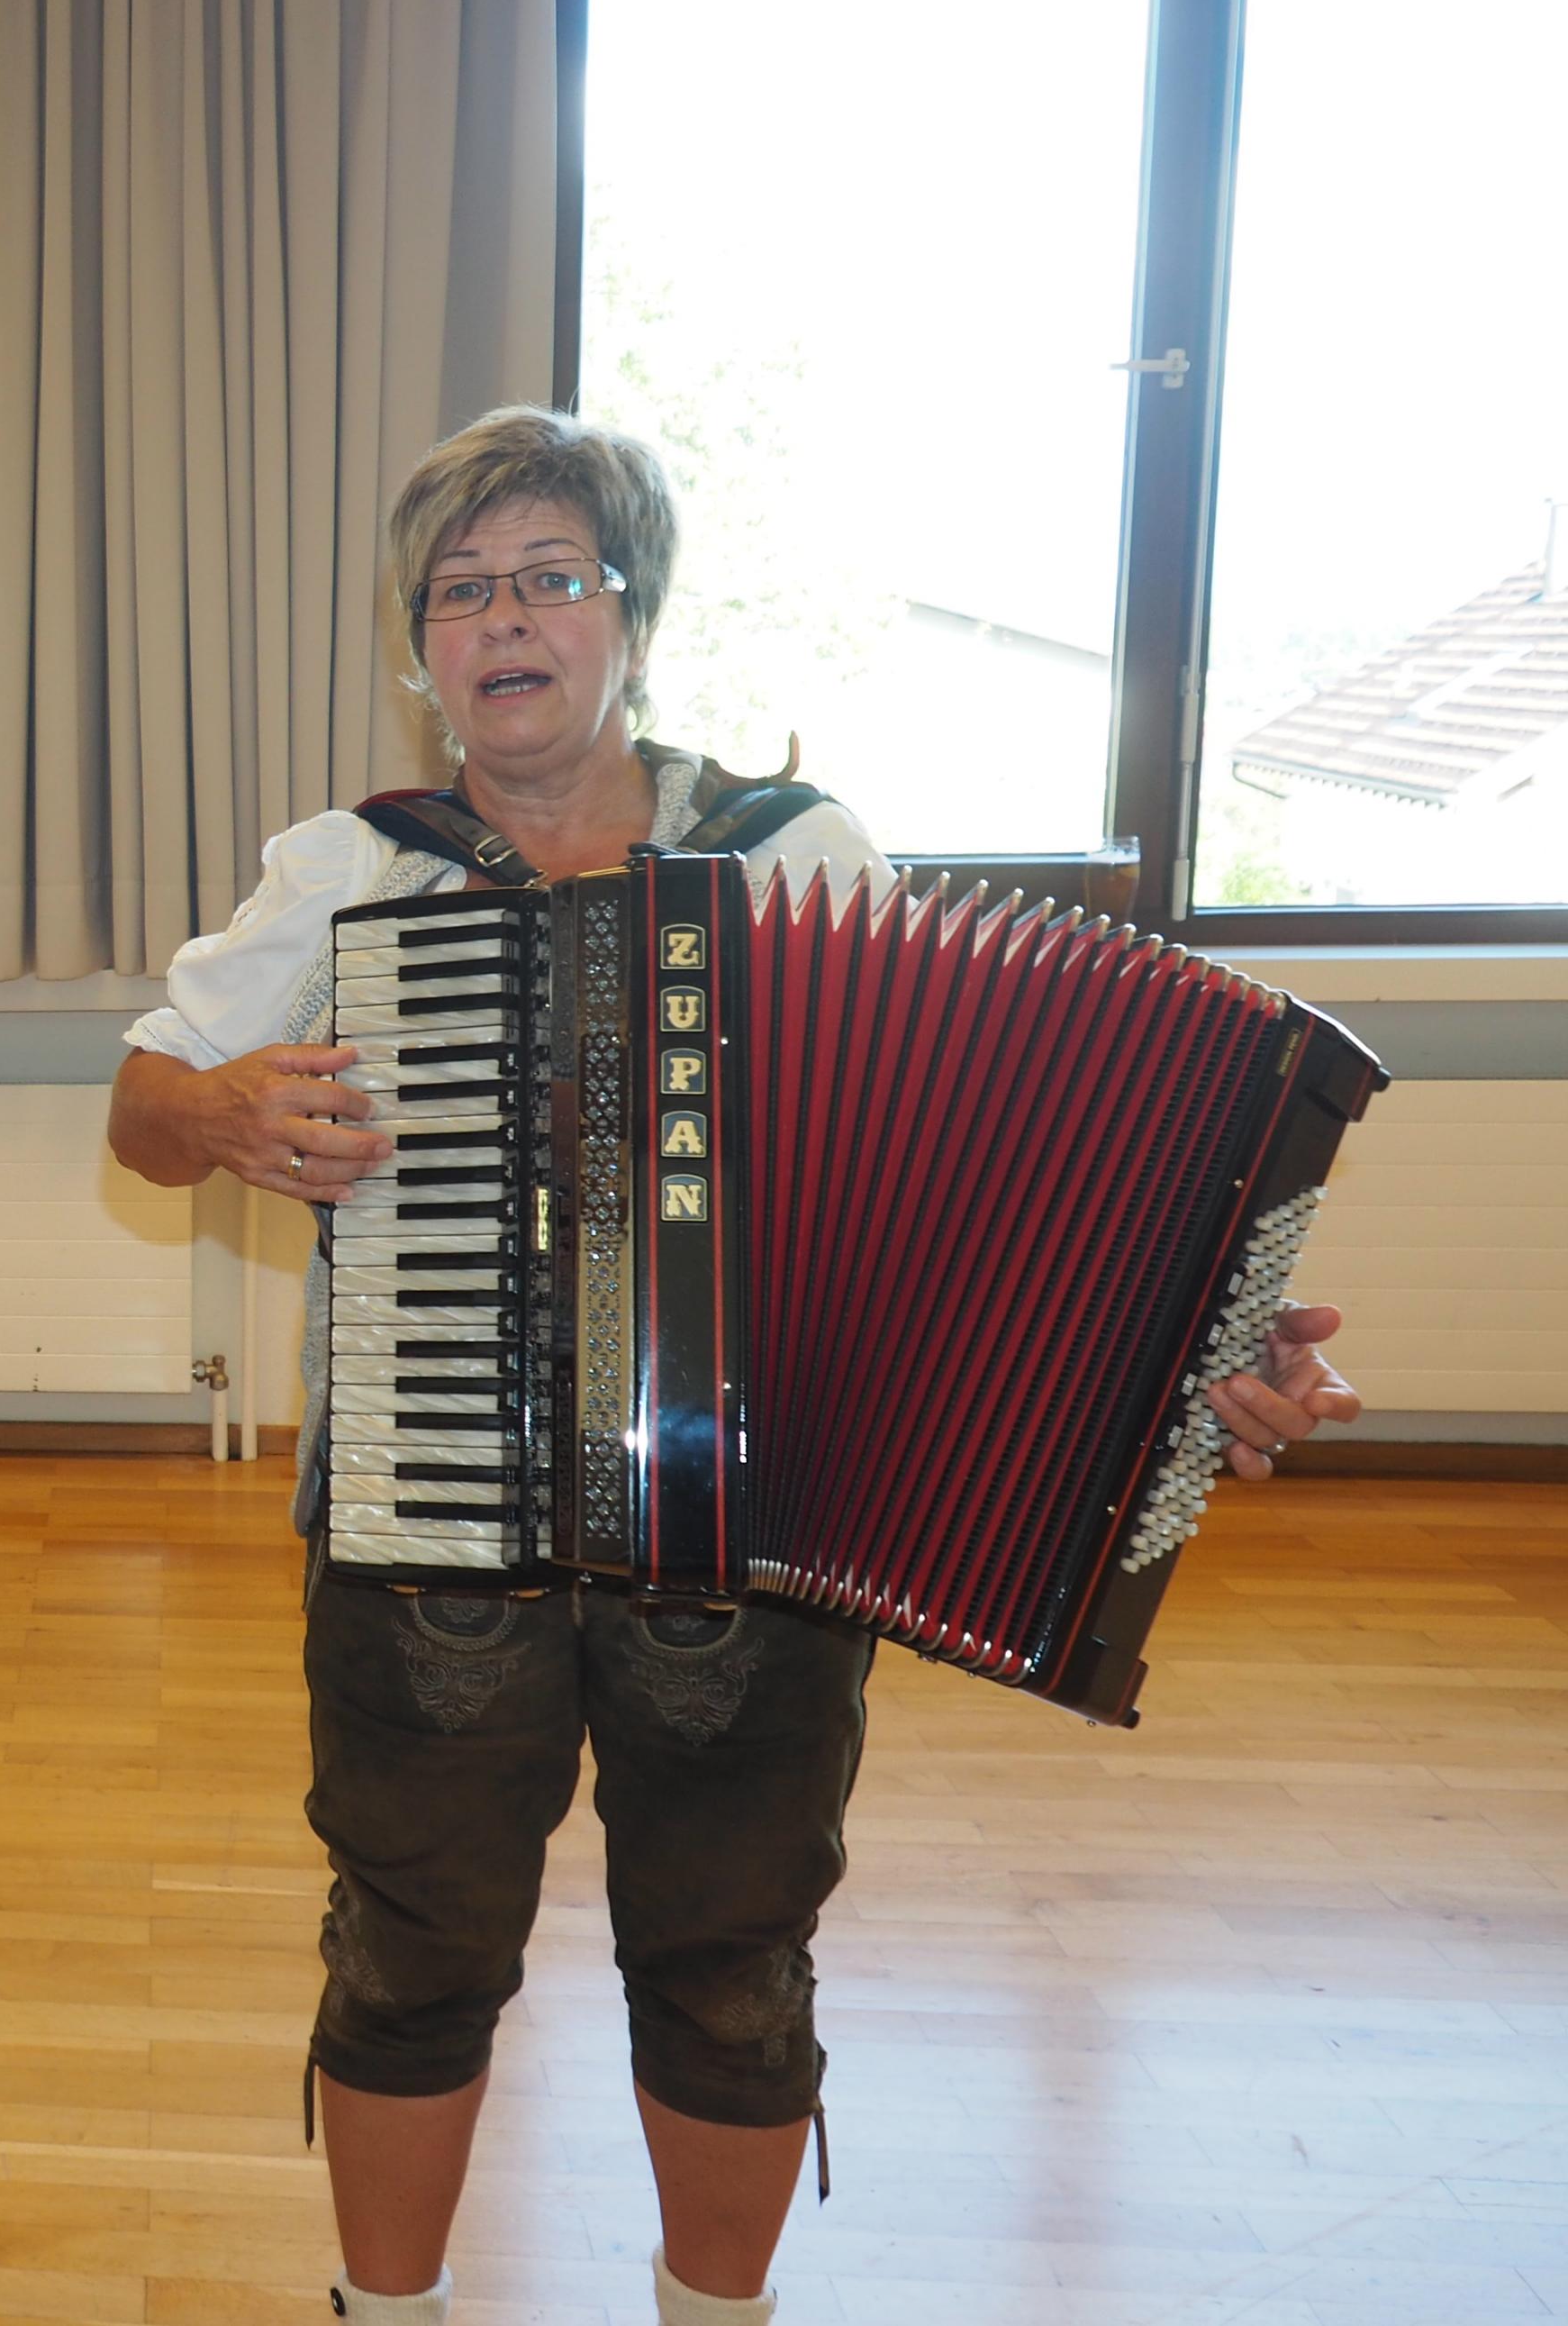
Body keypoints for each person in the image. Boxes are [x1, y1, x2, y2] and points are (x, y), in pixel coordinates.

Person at [103, 405, 1361, 2326]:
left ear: (631, 615)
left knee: (727, 1960)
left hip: (750, 1534)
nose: (501, 619)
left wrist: (1199, 1341)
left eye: (549, 578)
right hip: (434, 1526)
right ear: (416, 643)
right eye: (458, 590)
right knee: (411, 1947)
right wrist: (218, 1110)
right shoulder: (350, 871)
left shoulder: (796, 859)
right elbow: (141, 1104)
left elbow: (995, 1171)